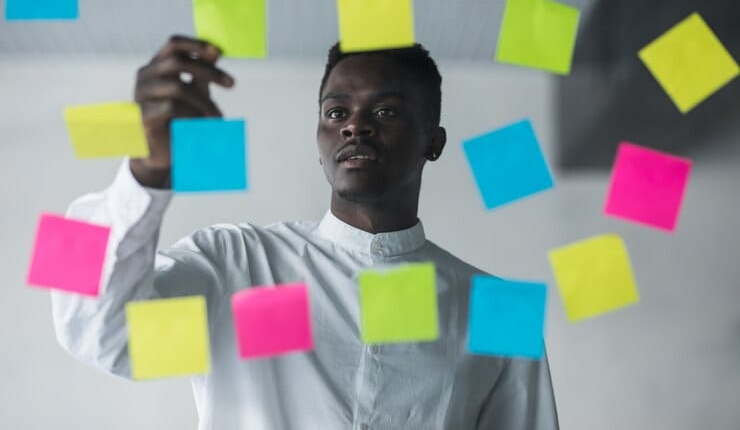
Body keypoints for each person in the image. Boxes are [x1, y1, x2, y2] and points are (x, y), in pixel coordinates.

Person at [52, 35, 559, 429]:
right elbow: (100, 338)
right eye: (336, 112)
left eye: (384, 111)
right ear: (319, 138)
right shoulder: (238, 265)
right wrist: (144, 172)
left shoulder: (499, 310)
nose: (353, 126)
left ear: (434, 140)